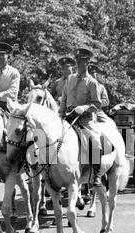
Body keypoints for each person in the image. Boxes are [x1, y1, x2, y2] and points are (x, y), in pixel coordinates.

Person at [60, 48, 103, 187]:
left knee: (95, 140)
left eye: (82, 61)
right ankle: (48, 173)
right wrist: (60, 114)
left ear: (87, 63)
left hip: (85, 118)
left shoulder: (92, 82)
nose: (79, 64)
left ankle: (96, 175)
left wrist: (84, 108)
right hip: (68, 116)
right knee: (48, 136)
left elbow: (97, 103)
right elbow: (64, 98)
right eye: (77, 61)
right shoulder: (70, 78)